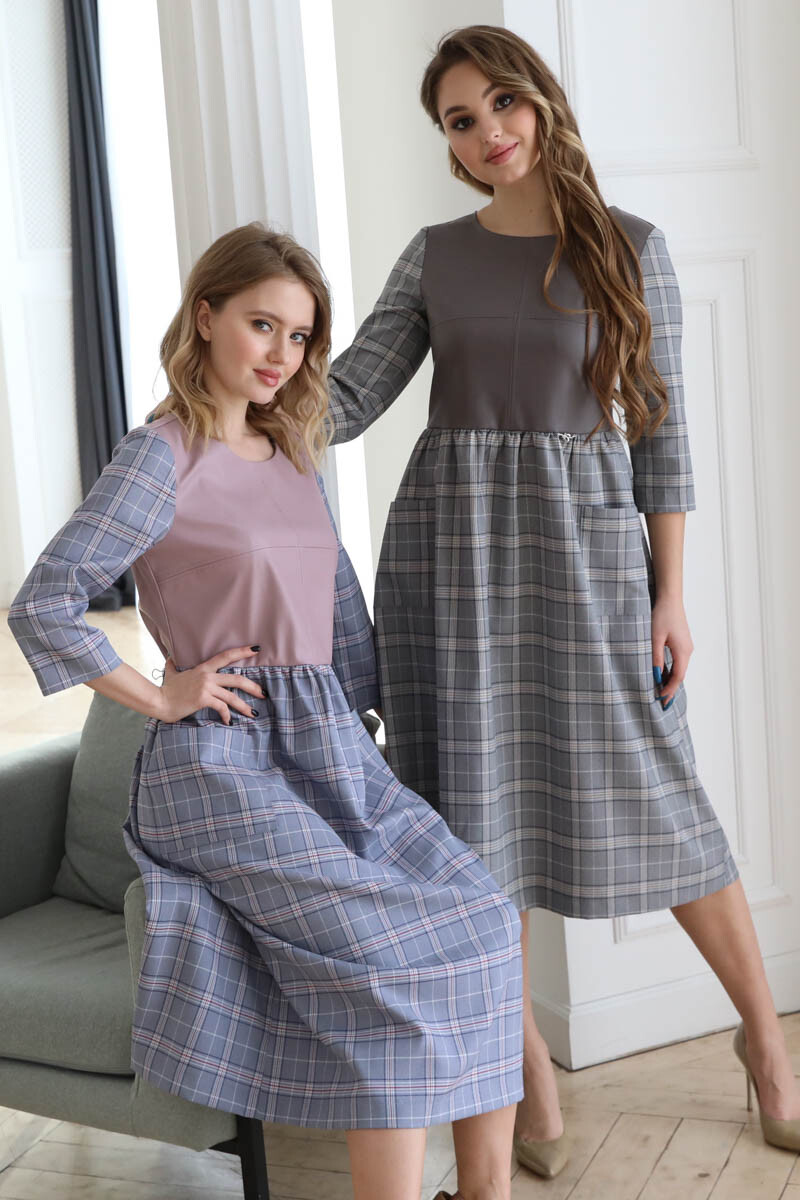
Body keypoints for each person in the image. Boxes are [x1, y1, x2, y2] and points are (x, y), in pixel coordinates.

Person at [325, 24, 800, 1178]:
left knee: (664, 804)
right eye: (459, 120)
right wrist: (226, 395)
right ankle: (524, 1084)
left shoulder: (631, 248)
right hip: (448, 562)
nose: (487, 132)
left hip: (587, 561)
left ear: (536, 100)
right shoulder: (435, 257)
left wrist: (668, 596)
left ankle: (765, 1047)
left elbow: (661, 436)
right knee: (472, 821)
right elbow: (346, 396)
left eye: (500, 104)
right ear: (446, 145)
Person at [8, 222, 526, 1200]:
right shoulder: (159, 456)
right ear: (205, 317)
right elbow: (46, 601)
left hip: (327, 750)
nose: (281, 354)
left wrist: (378, 735)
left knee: (484, 918)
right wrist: (162, 693)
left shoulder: (293, 453)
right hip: (217, 765)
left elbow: (338, 611)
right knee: (385, 959)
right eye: (262, 324)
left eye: (299, 336)